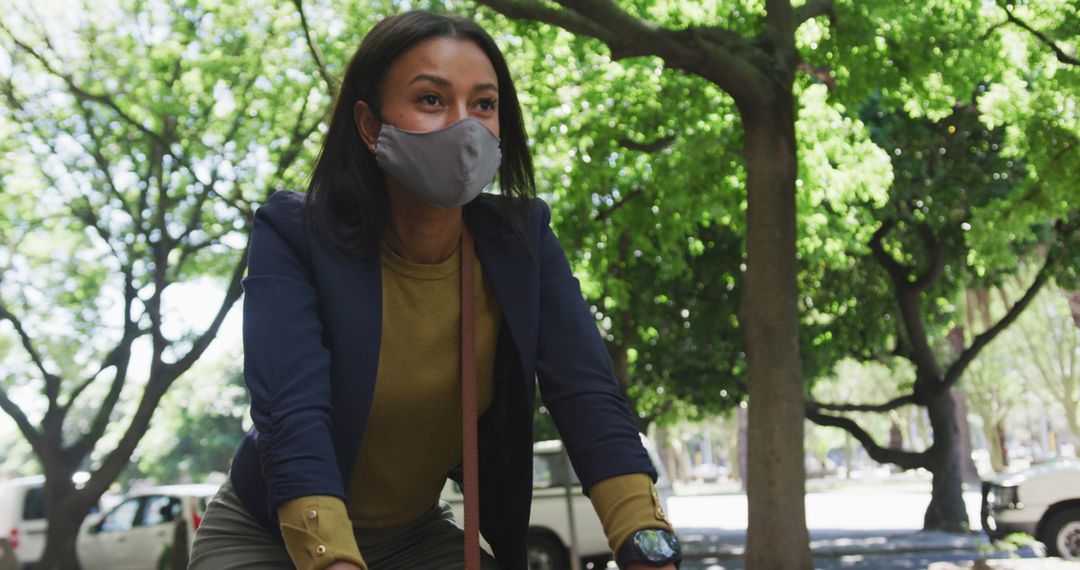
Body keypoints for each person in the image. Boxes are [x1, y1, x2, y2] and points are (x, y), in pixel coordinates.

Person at [188, 10, 681, 570]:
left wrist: (645, 537)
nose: (464, 125)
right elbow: (291, 413)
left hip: (414, 540)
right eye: (431, 100)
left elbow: (588, 394)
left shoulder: (524, 240)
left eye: (484, 105)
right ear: (370, 126)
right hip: (273, 534)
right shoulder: (294, 235)